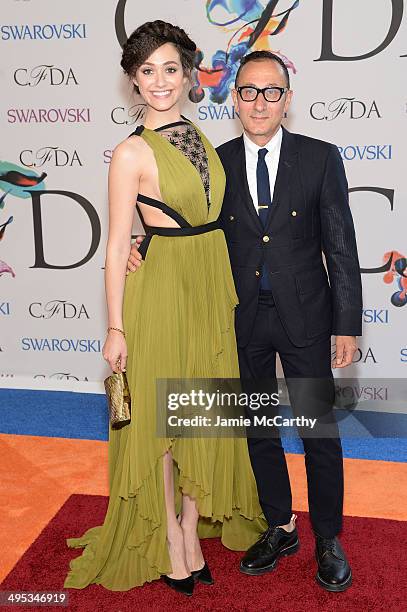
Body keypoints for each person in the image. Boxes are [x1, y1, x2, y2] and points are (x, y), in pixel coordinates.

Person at [128, 50, 363, 592]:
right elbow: (181, 220)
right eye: (249, 92)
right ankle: (280, 525)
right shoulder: (217, 161)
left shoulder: (320, 158)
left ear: (287, 99)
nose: (260, 102)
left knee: (317, 432)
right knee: (257, 428)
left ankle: (328, 536)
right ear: (233, 99)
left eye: (271, 91)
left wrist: (346, 325)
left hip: (307, 317)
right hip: (238, 318)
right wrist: (143, 246)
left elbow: (342, 249)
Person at [63, 21, 266, 596]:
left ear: (187, 74)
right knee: (161, 421)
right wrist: (115, 326)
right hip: (161, 293)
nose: (160, 81)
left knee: (201, 414)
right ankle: (172, 543)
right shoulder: (130, 153)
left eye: (171, 69)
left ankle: (188, 527)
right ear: (132, 80)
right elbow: (115, 240)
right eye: (147, 71)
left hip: (207, 284)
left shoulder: (199, 136)